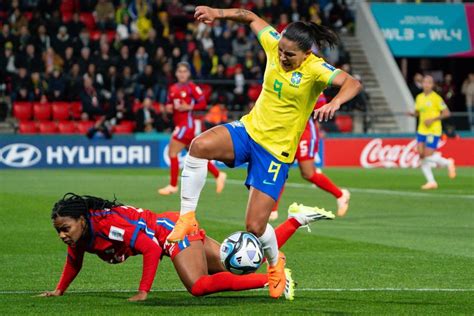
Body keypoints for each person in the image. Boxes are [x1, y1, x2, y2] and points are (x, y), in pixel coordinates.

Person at [167, 6, 361, 299]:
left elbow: (352, 83)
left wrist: (335, 103)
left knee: (255, 226)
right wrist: (216, 13)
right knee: (198, 146)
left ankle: (275, 264)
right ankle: (187, 218)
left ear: (307, 54)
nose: (282, 56)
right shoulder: (274, 43)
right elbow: (249, 16)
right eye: (281, 49)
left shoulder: (316, 69)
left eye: (289, 54)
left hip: (275, 154)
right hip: (248, 132)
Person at [39, 193, 334, 300]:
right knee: (243, 262)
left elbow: (151, 249)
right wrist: (60, 289)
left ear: (81, 219)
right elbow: (74, 261)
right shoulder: (83, 233)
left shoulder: (106, 226)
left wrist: (144, 291)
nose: (63, 235)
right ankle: (295, 220)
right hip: (174, 228)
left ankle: (275, 280)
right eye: (59, 231)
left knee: (198, 286)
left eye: (65, 228)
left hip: (172, 234)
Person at [270, 93, 350, 221]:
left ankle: (341, 195)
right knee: (280, 170)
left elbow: (321, 105)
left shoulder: (311, 81)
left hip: (305, 132)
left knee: (308, 173)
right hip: (287, 132)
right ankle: (273, 210)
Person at [158, 62, 227, 196]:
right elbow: (169, 104)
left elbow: (203, 103)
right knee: (196, 154)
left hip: (186, 125)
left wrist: (189, 107)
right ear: (176, 73)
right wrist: (168, 108)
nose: (182, 74)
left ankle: (173, 186)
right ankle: (219, 174)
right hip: (179, 123)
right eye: (180, 71)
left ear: (188, 73)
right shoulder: (172, 88)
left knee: (172, 152)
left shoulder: (192, 87)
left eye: (185, 71)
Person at [409, 75, 456, 190]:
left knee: (427, 155)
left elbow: (447, 113)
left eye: (429, 83)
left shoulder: (436, 98)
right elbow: (418, 112)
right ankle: (431, 182)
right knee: (421, 155)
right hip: (421, 130)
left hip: (433, 131)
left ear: (432, 85)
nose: (426, 84)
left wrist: (432, 119)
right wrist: (413, 114)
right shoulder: (419, 97)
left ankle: (447, 162)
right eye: (424, 82)